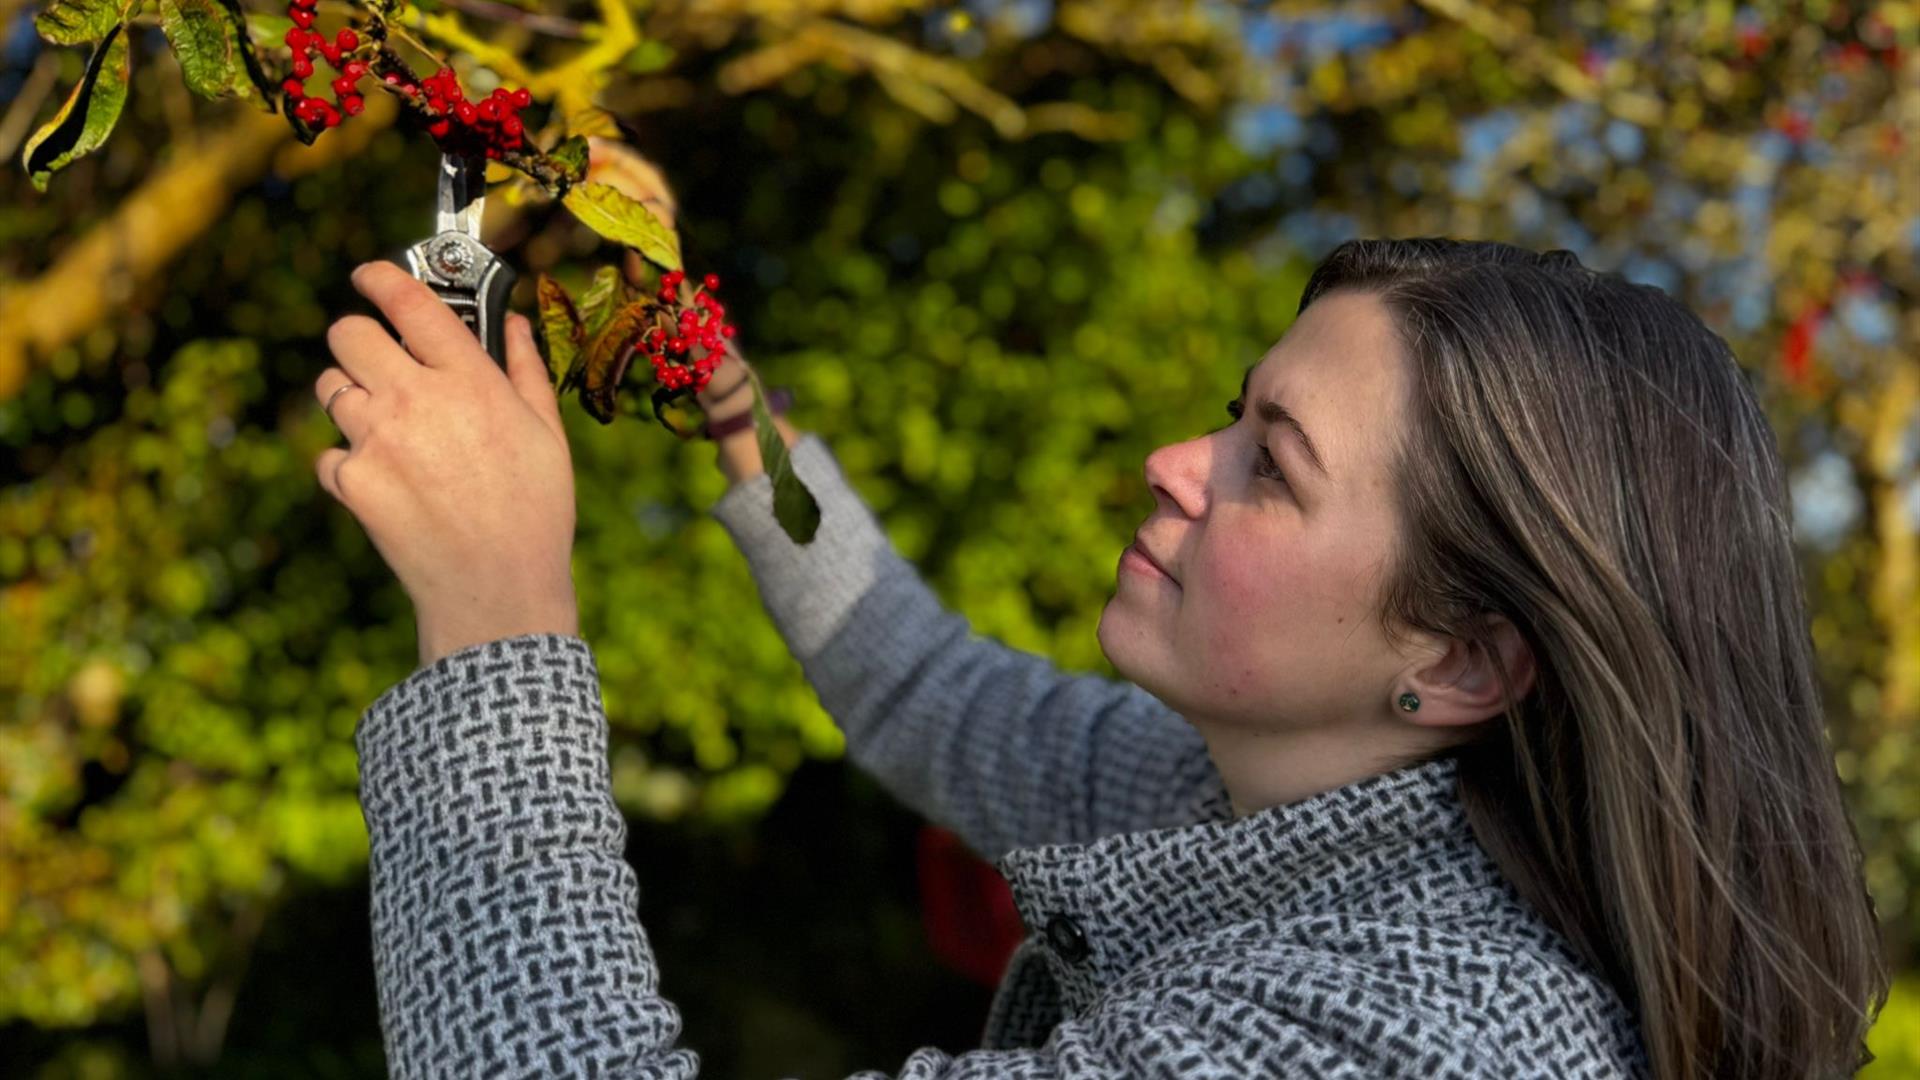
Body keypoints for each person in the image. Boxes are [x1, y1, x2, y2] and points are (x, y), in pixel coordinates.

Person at [321, 190, 1887, 1073]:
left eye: (1272, 465)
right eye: (1234, 413)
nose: (1173, 462)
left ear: (1464, 659)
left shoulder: (1404, 1037)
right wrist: (750, 437)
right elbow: (928, 689)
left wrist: (495, 615)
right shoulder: (1247, 803)